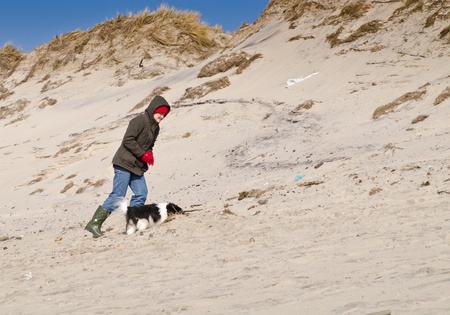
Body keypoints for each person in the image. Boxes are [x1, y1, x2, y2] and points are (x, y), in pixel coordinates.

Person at [85, 95, 170, 238]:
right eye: (159, 112)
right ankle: (94, 223)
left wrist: (149, 153)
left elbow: (150, 145)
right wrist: (143, 154)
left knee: (141, 193)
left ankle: (131, 224)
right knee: (118, 195)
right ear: (153, 109)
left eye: (164, 114)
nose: (161, 116)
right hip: (123, 163)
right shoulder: (139, 121)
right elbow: (127, 141)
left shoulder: (156, 128)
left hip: (137, 166)